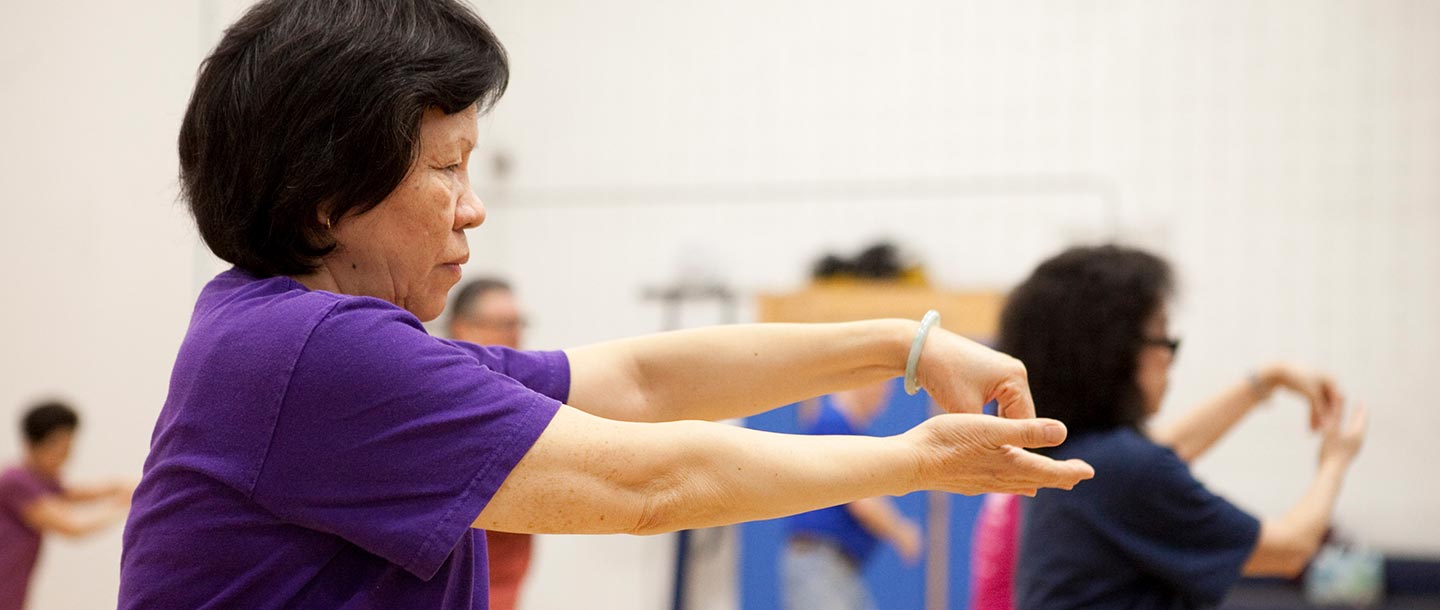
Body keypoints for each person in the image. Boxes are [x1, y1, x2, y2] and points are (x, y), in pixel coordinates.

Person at [116, 2, 1094, 609]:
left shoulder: (287, 330)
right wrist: (917, 459)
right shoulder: (310, 350)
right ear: (327, 193)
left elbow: (634, 381)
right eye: (446, 168)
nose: (474, 205)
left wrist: (904, 345)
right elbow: (649, 483)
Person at [1002, 245, 1367, 610]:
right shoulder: (1125, 468)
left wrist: (1268, 380)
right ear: (1117, 350)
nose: (1168, 355)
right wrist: (1335, 460)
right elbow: (1291, 549)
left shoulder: (1073, 454)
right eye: (1161, 335)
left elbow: (1170, 446)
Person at [782, 382, 923, 610]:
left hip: (835, 566)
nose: (885, 397)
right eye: (883, 387)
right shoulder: (835, 424)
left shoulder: (846, 429)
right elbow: (862, 501)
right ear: (866, 384)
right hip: (820, 562)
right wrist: (900, 532)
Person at [447, 278, 532, 610]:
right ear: (462, 327)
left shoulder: (522, 392)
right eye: (502, 324)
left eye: (517, 323)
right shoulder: (447, 401)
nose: (514, 335)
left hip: (507, 583)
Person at [0, 401, 132, 610]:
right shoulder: (15, 481)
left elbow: (76, 494)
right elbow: (72, 527)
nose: (64, 456)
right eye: (58, 448)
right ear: (31, 444)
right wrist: (127, 507)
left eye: (68, 448)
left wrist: (118, 487)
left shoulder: (42, 481)